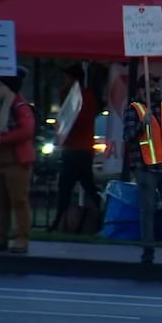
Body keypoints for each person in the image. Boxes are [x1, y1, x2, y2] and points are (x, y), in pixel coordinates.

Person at [123, 75, 162, 264]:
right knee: (148, 209)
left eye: (156, 85)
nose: (155, 89)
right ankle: (148, 249)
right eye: (151, 86)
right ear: (141, 90)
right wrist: (143, 124)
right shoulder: (134, 110)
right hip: (145, 167)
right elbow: (128, 136)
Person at [0, 67, 36, 254]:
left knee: (19, 200)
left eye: (0, 84)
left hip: (16, 163)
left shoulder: (20, 107)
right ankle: (0, 236)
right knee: (0, 202)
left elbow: (26, 131)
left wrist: (2, 138)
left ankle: (21, 237)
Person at [49, 63, 100, 231]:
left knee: (66, 186)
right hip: (83, 149)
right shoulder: (88, 96)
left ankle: (59, 220)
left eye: (67, 77)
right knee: (87, 185)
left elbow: (73, 121)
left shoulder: (77, 97)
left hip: (74, 148)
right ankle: (100, 215)